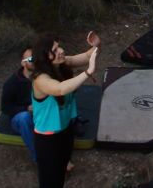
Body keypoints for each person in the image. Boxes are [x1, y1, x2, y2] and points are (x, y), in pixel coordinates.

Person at [31, 32, 99, 188]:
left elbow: (88, 56)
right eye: (55, 50)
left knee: (59, 175)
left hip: (65, 130)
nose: (61, 51)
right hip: (48, 139)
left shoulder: (61, 64)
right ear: (45, 56)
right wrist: (88, 72)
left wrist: (97, 44)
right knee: (50, 181)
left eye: (59, 47)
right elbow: (60, 89)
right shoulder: (40, 79)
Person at [0, 46, 37, 162]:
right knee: (24, 118)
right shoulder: (12, 83)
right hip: (22, 115)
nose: (35, 61)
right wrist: (26, 108)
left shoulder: (43, 76)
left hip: (41, 113)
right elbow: (5, 107)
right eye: (30, 59)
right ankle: (39, 156)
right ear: (23, 63)